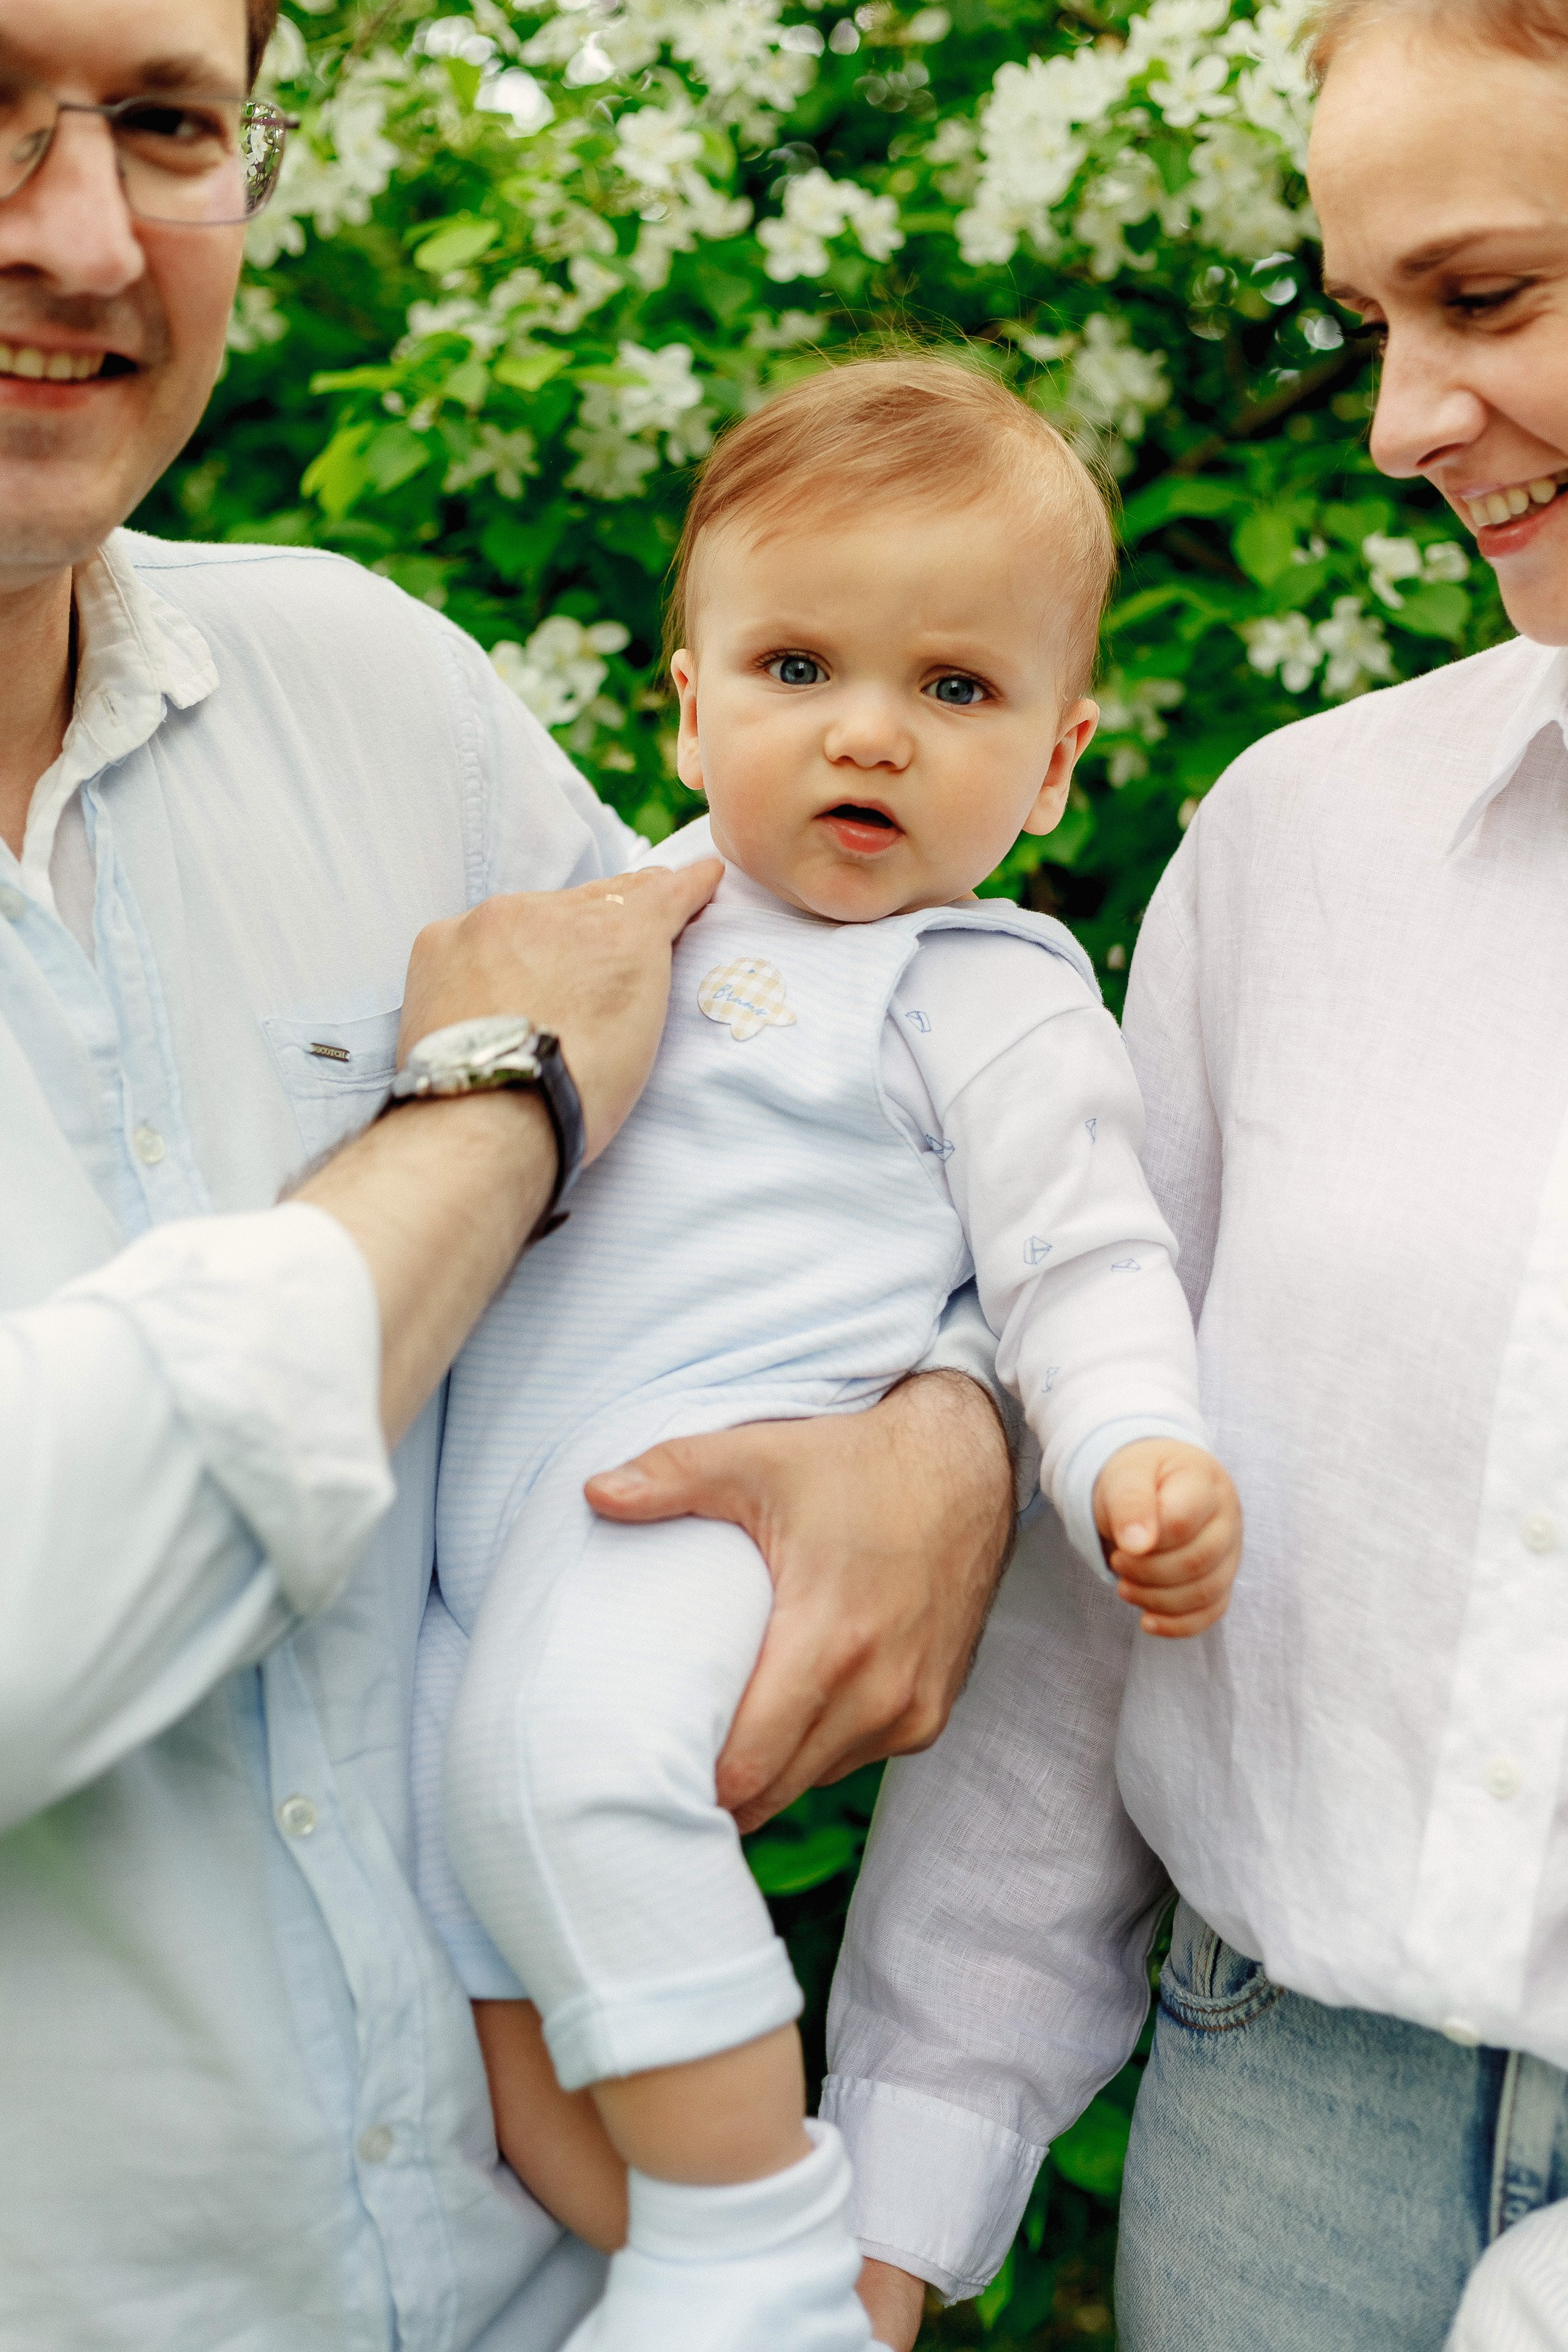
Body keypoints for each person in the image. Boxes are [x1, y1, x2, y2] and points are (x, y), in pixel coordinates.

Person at [0, 5, 1024, 2348]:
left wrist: (953, 1430)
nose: (81, 236)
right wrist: (488, 1114)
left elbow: (847, 1081)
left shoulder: (371, 689)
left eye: (166, 123)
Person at [840, 3, 1568, 2348]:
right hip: (1279, 2143)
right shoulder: (1307, 841)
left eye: (1493, 298)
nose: (1398, 424)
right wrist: (907, 2180)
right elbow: (1097, 1572)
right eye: (1373, 324)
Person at [407, 358, 1244, 2352]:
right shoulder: (616, 928)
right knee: (486, 1986)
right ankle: (740, 2298)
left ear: (1055, 767)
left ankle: (751, 2229)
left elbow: (1087, 1254)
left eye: (955, 692)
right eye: (797, 666)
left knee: (585, 1782)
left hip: (709, 1507)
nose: (867, 732)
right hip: (482, 1544)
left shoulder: (986, 993)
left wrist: (1137, 1442)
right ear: (685, 702)